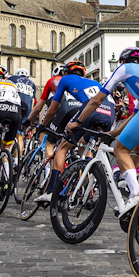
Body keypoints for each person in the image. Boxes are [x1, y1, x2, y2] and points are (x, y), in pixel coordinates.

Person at [70, 48, 139, 213]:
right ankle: (138, 196)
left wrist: (78, 122)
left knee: (120, 149)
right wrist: (113, 134)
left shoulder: (124, 69)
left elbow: (96, 100)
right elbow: (135, 116)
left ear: (122, 61)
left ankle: (135, 194)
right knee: (137, 148)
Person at [36, 61, 116, 205]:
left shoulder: (65, 79)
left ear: (66, 72)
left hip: (91, 110)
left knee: (62, 148)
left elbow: (53, 109)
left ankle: (51, 192)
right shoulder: (94, 82)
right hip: (109, 113)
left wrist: (42, 125)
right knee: (84, 146)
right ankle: (86, 183)